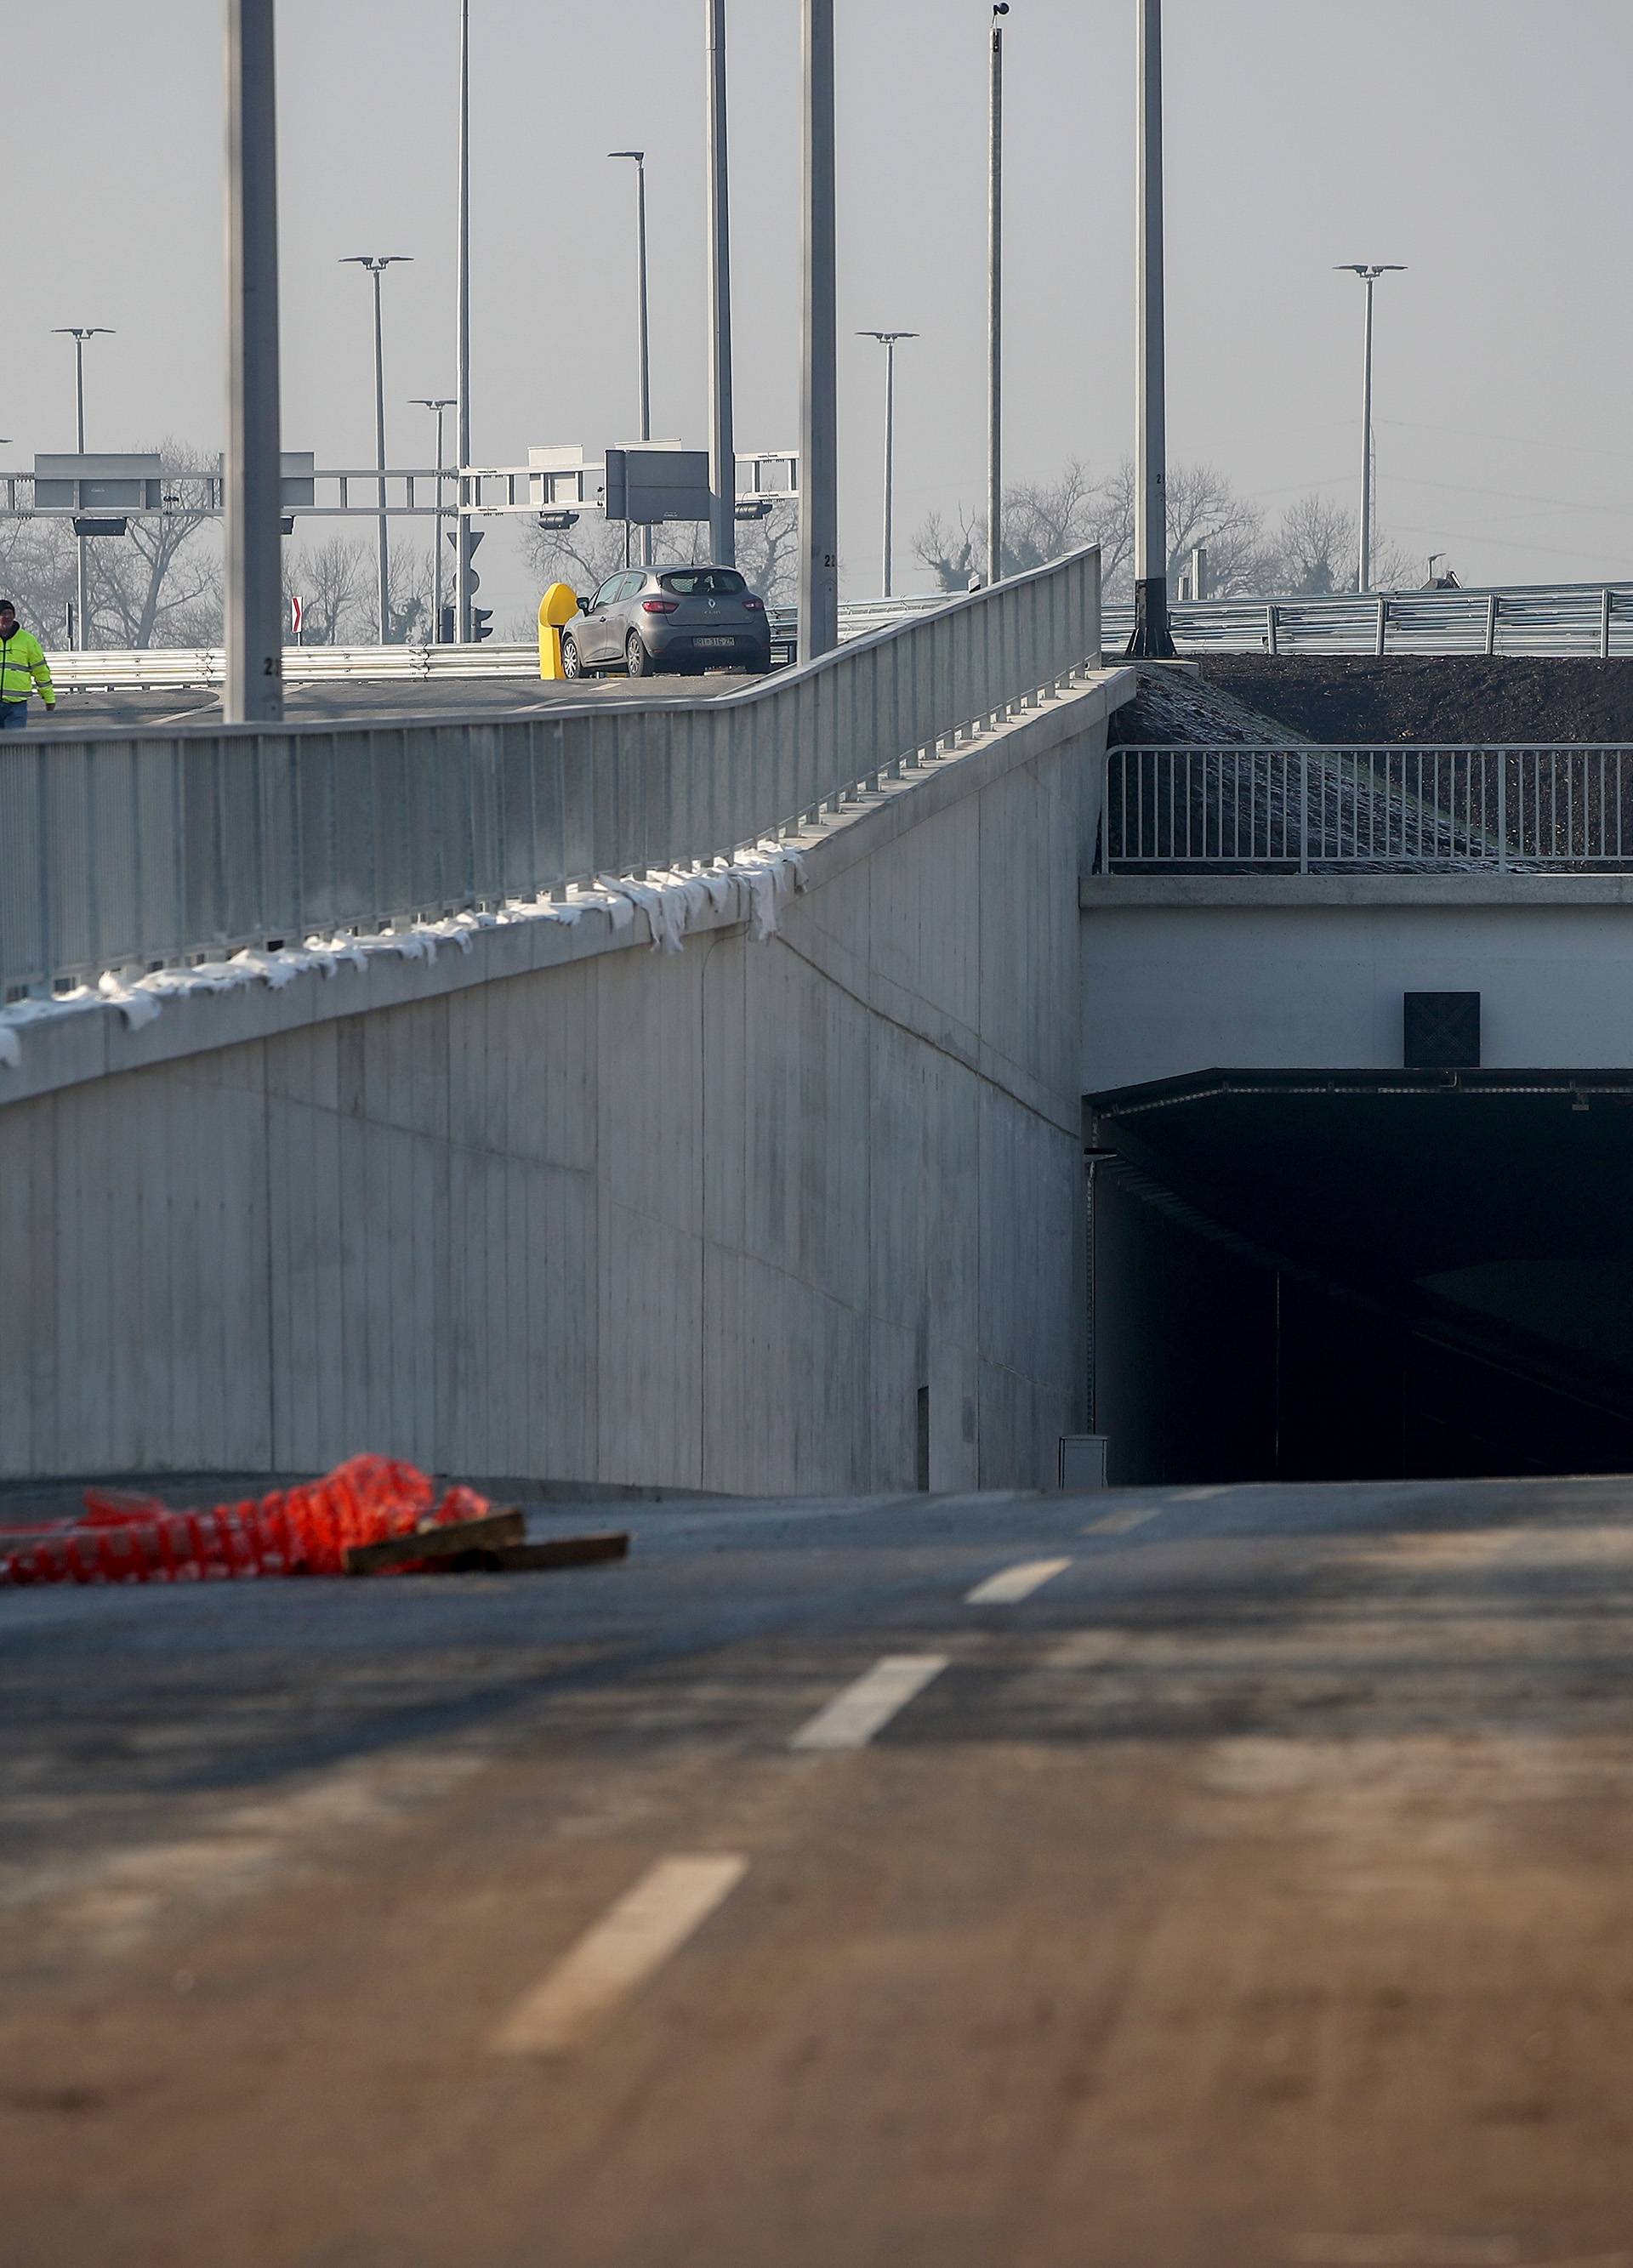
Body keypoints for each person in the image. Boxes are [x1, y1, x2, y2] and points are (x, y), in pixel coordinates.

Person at [0, 600, 56, 728]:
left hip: (16, 707)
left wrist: (49, 697)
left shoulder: (28, 640)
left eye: (10, 613)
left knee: (15, 745)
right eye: (3, 614)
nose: (7, 617)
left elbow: (40, 670)